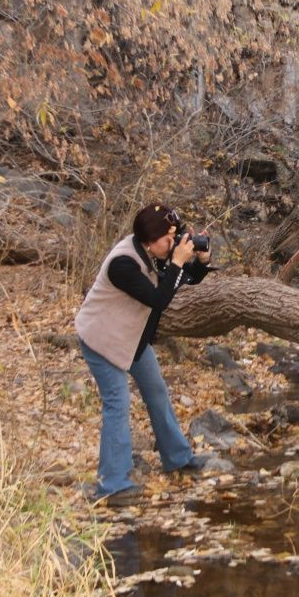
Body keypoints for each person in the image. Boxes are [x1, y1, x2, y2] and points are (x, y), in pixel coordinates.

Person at [76, 203, 213, 505]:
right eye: (169, 237)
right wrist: (177, 262)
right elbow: (158, 299)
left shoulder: (154, 252)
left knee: (156, 393)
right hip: (101, 339)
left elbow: (184, 281)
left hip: (131, 338)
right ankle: (112, 486)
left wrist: (201, 261)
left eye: (175, 236)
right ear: (152, 238)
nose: (173, 243)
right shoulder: (122, 264)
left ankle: (178, 458)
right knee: (117, 403)